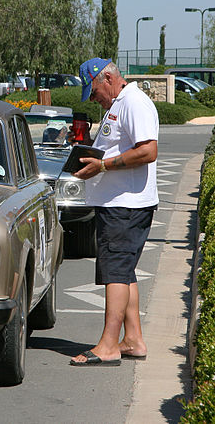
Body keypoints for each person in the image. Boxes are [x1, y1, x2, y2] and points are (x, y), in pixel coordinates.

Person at [69, 57, 158, 367]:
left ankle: (108, 344)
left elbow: (148, 150)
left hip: (126, 206)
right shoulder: (119, 104)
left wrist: (103, 165)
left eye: (93, 93)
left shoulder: (134, 102)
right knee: (124, 271)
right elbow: (119, 147)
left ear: (106, 79)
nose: (93, 100)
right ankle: (133, 339)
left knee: (115, 273)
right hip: (120, 205)